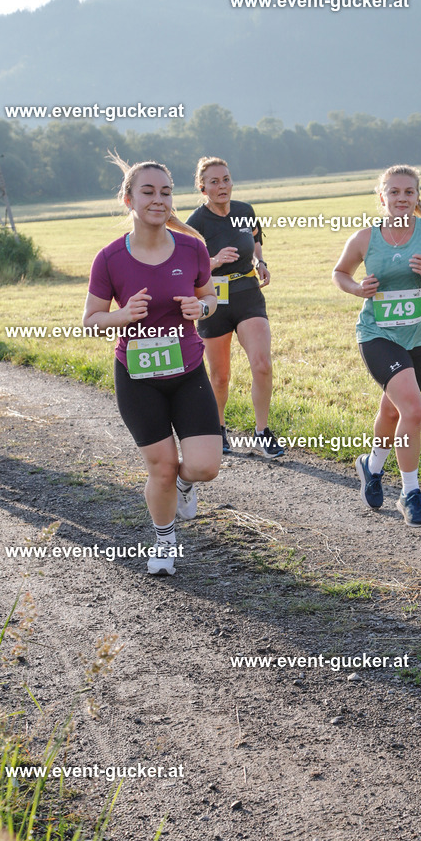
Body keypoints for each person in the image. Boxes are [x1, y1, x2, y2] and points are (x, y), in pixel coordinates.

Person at [83, 154, 221, 575]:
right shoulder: (109, 259)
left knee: (203, 466)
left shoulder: (193, 247)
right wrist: (122, 316)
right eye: (147, 191)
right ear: (129, 199)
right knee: (160, 466)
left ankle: (184, 486)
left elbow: (211, 298)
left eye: (165, 192)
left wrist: (202, 308)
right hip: (138, 377)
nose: (158, 199)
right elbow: (90, 322)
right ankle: (164, 541)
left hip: (187, 372)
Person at [332, 164, 421, 527]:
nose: (402, 198)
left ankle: (371, 466)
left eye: (409, 192)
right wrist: (357, 289)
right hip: (378, 334)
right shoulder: (365, 238)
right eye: (394, 192)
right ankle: (410, 494)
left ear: (417, 196)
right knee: (414, 411)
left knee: (394, 411)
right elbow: (340, 273)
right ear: (382, 198)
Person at [186, 156, 283, 458]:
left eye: (225, 179)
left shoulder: (245, 211)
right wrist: (213, 262)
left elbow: (254, 242)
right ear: (203, 188)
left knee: (263, 364)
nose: (222, 186)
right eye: (214, 182)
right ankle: (219, 429)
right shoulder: (195, 224)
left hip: (247, 293)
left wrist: (261, 262)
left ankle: (262, 432)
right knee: (220, 376)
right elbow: (188, 270)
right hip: (213, 300)